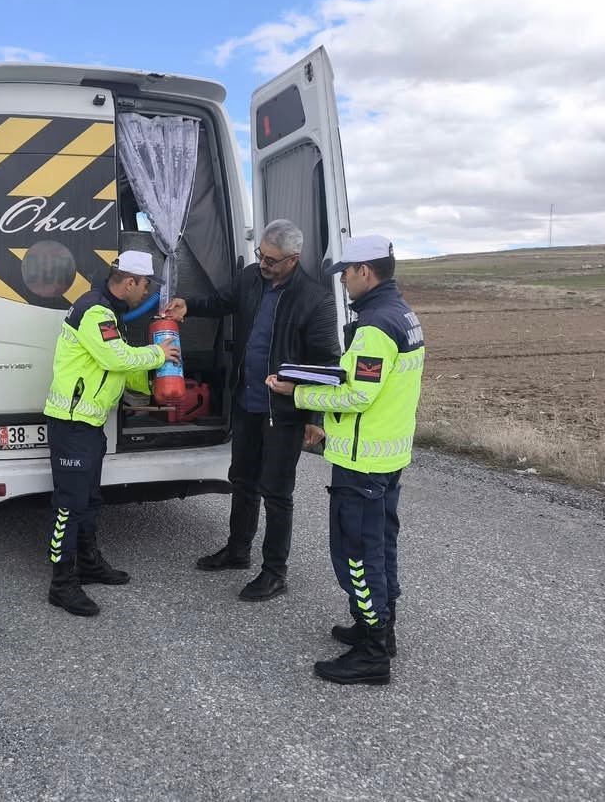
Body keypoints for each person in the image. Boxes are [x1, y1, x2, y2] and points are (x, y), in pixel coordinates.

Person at [267, 234, 424, 685]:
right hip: (386, 454)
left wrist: (296, 392)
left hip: (363, 459)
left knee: (356, 552)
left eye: (347, 274)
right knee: (380, 545)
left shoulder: (375, 327)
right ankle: (377, 628)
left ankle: (373, 653)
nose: (344, 283)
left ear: (365, 272)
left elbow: (358, 393)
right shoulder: (403, 314)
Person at [163, 220, 339, 601]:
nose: (263, 263)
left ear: (293, 259)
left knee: (277, 492)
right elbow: (222, 301)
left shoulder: (315, 299)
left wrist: (315, 417)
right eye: (261, 254)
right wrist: (189, 305)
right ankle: (237, 551)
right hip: (247, 403)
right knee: (241, 480)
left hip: (285, 412)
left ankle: (275, 571)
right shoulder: (250, 278)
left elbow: (325, 363)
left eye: (272, 260)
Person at [43, 250, 180, 617]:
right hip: (71, 424)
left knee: (89, 499)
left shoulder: (109, 311)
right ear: (130, 281)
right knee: (68, 507)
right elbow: (115, 358)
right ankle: (62, 584)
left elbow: (115, 364)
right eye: (146, 285)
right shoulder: (96, 310)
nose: (147, 292)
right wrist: (158, 354)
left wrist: (150, 385)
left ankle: (88, 563)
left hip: (89, 423)